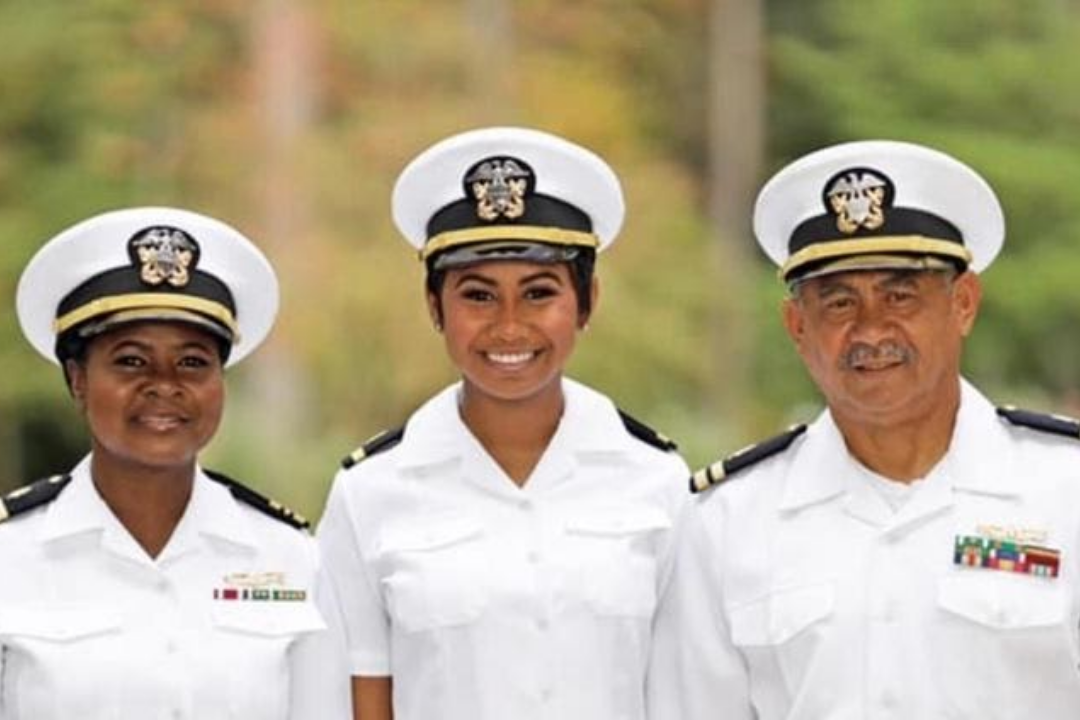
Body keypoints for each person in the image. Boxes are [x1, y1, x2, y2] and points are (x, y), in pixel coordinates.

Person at [646, 139, 1080, 719]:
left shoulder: (1065, 489)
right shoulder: (726, 523)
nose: (872, 330)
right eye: (839, 304)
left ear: (964, 304)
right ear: (798, 325)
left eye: (900, 296)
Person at [316, 126, 689, 720]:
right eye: (478, 296)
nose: (509, 326)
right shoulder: (370, 493)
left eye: (539, 293)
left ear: (588, 301)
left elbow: (684, 695)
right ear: (434, 306)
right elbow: (361, 701)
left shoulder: (657, 480)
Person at [0, 207, 349, 720]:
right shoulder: (10, 557)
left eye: (192, 362)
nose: (165, 384)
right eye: (131, 360)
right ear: (77, 380)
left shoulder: (290, 557)